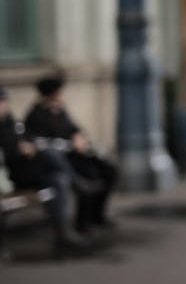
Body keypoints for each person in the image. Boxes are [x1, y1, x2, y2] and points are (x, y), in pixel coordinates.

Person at [0, 86, 90, 252]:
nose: (3, 105)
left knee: (59, 179)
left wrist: (28, 145)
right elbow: (11, 149)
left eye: (4, 101)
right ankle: (77, 183)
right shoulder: (35, 114)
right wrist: (20, 148)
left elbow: (27, 137)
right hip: (16, 174)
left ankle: (62, 234)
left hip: (31, 168)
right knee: (51, 154)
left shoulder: (10, 122)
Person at [25, 76, 119, 232]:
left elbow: (74, 128)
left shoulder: (61, 110)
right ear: (51, 94)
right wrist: (70, 143)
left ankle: (97, 215)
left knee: (110, 170)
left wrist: (79, 137)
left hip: (77, 154)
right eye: (59, 92)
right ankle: (83, 224)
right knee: (89, 176)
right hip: (62, 159)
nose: (62, 95)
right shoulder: (36, 115)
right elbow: (42, 144)